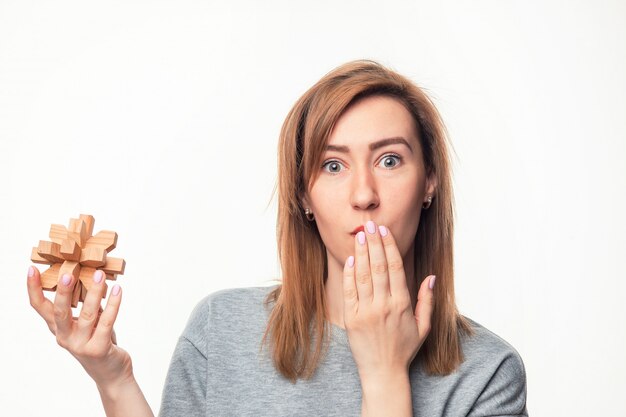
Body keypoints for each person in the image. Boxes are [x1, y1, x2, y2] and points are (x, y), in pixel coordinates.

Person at [27, 60, 529, 416]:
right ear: (303, 197)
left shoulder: (489, 375)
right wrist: (112, 378)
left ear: (430, 182)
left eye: (390, 160)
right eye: (333, 165)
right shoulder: (220, 329)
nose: (363, 194)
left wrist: (384, 377)